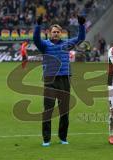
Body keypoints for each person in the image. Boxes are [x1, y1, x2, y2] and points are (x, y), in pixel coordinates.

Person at [32, 15, 86, 147]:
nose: (56, 34)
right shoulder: (44, 45)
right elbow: (35, 39)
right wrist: (38, 25)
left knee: (64, 110)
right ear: (49, 33)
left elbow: (81, 38)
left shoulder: (67, 44)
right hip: (50, 80)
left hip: (64, 79)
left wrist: (81, 25)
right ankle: (46, 139)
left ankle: (63, 137)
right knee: (48, 110)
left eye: (58, 32)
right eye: (53, 32)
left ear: (61, 33)